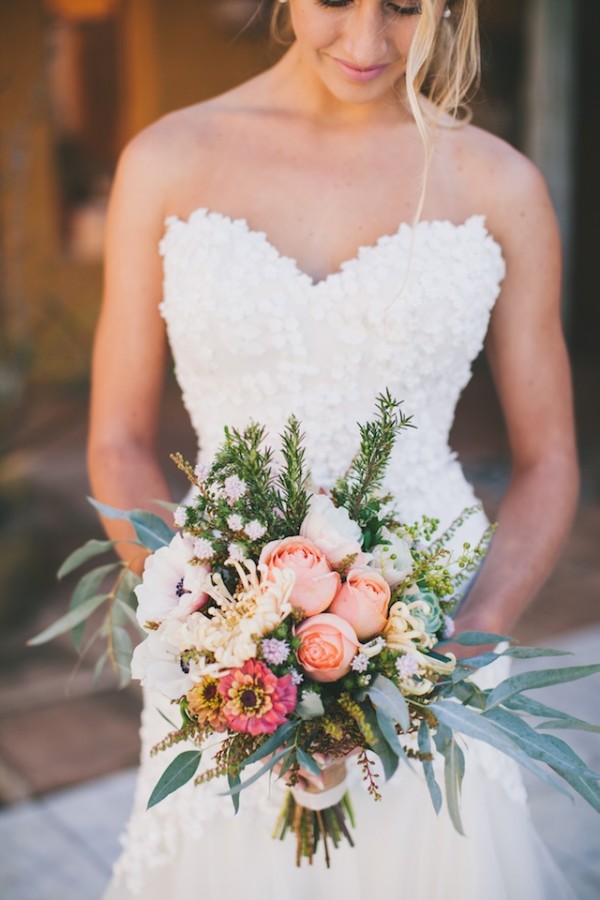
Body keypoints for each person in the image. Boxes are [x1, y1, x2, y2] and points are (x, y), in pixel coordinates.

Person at [90, 1, 579, 897]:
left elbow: (549, 462)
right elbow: (118, 439)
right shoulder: (164, 161)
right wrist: (203, 631)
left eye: (403, 6)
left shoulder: (498, 183)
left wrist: (472, 637)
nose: (366, 43)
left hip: (435, 643)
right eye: (336, 0)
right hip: (223, 646)